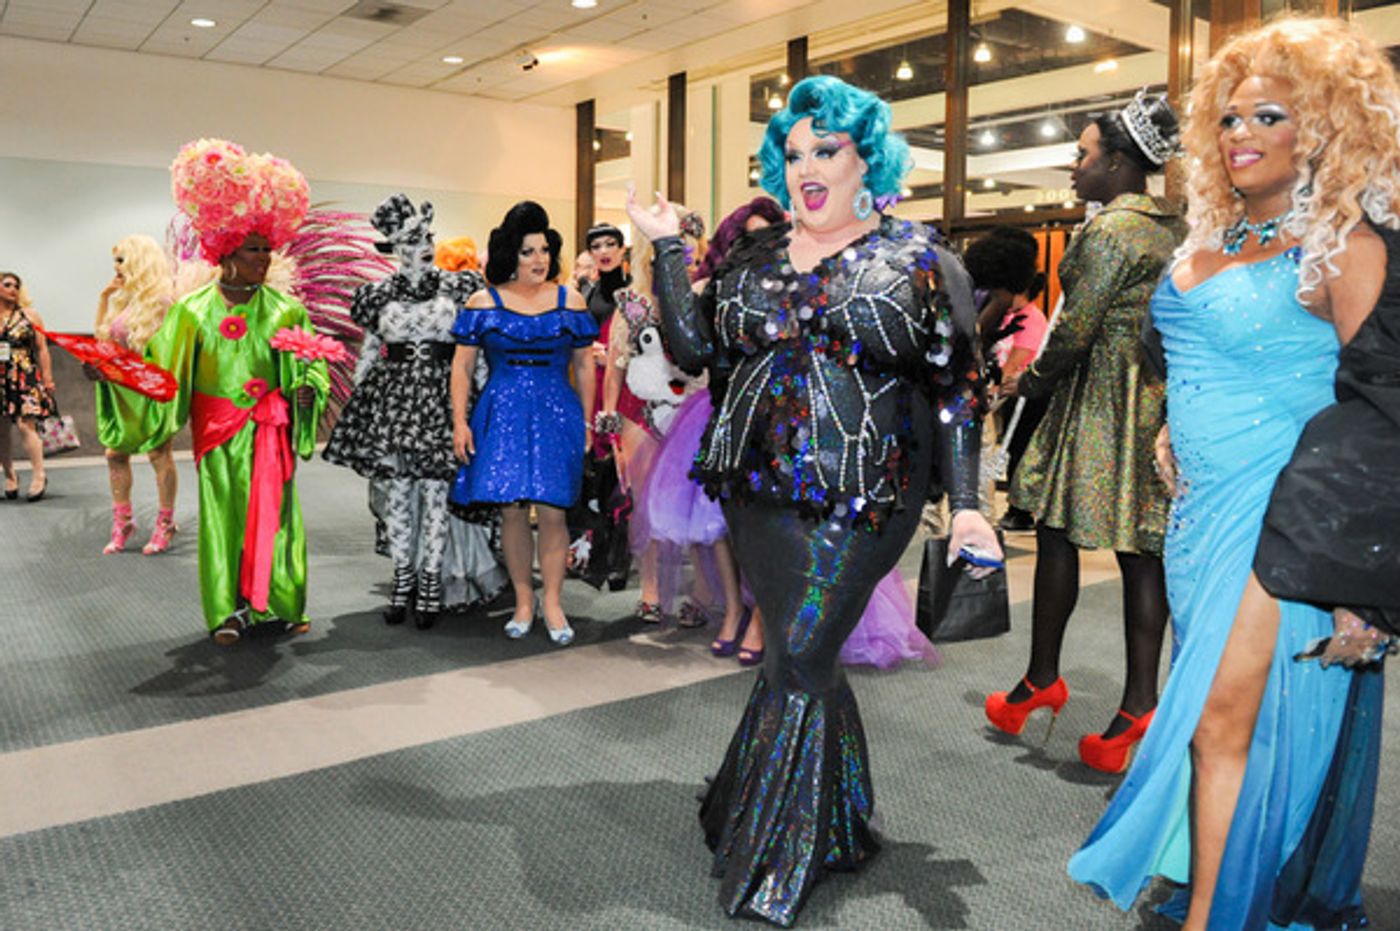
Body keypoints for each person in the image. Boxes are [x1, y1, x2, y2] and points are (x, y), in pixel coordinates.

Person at [628, 75, 1000, 926]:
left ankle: (776, 857)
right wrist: (663, 249)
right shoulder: (755, 259)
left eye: (825, 148)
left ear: (866, 157)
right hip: (758, 488)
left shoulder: (920, 262)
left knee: (799, 648)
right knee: (799, 659)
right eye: (791, 153)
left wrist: (969, 501)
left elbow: (956, 390)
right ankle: (827, 822)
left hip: (868, 497)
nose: (805, 167)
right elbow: (692, 350)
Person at [1070, 19, 1398, 929]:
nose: (1239, 132)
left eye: (1268, 114)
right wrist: (1177, 420)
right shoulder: (1203, 235)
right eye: (1225, 117)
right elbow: (1187, 348)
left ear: (1323, 128)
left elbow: (1383, 408)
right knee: (1213, 720)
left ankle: (1217, 913)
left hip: (1287, 518)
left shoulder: (1340, 244)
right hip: (1198, 519)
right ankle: (1219, 889)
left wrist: (1360, 581)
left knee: (1222, 725)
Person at [984, 93, 1183, 773]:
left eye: (1083, 154)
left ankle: (1043, 677)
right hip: (1155, 400)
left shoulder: (1111, 231)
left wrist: (1027, 384)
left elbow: (1074, 330)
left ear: (1118, 163)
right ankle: (1138, 702)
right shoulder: (1173, 227)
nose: (1074, 166)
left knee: (1056, 526)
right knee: (1141, 549)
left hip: (1101, 400)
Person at [94, 139, 329, 644]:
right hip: (219, 433)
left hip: (271, 429)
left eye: (268, 249)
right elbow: (163, 374)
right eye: (253, 249)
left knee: (278, 513)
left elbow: (310, 365)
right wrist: (115, 377)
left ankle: (280, 603)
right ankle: (229, 611)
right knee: (224, 517)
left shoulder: (286, 309)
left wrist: (305, 392)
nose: (264, 258)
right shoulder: (192, 311)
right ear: (226, 251)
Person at [324, 195, 504, 629]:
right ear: (394, 247)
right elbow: (369, 352)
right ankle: (402, 578)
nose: (421, 244)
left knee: (437, 495)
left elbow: (471, 353)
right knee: (399, 497)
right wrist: (358, 409)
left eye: (425, 235)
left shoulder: (457, 288)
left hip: (442, 400)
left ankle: (429, 581)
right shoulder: (376, 296)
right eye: (410, 239)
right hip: (395, 401)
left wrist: (482, 400)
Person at [450, 201, 596, 647]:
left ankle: (552, 601)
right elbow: (461, 367)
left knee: (553, 511)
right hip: (502, 410)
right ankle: (523, 601)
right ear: (511, 254)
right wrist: (459, 421)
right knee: (511, 510)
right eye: (529, 251)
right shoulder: (482, 301)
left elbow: (585, 364)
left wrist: (588, 423)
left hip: (557, 410)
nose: (540, 260)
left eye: (545, 250)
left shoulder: (569, 300)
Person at [601, 203, 706, 623]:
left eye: (689, 251)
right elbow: (615, 366)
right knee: (644, 506)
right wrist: (608, 417)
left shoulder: (706, 298)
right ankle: (650, 592)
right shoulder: (633, 304)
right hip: (642, 416)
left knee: (699, 509)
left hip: (695, 412)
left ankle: (700, 594)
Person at [93, 235, 180, 553]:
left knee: (159, 455)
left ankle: (165, 524)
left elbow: (174, 350)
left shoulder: (163, 300)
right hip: (120, 390)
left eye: (122, 260)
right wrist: (105, 298)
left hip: (150, 389)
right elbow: (103, 340)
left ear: (140, 262)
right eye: (115, 260)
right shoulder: (121, 299)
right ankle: (123, 522)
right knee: (114, 454)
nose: (116, 267)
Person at [962, 226, 1048, 531]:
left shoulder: (975, 295)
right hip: (970, 390)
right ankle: (978, 526)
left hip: (971, 388)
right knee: (979, 458)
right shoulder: (997, 299)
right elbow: (972, 342)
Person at [0, 271, 54, 501]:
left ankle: (39, 475)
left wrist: (48, 379)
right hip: (1, 377)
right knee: (1, 430)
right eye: (7, 284)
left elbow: (42, 348)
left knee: (26, 426)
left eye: (16, 285)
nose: (13, 289)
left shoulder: (30, 315)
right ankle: (10, 476)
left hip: (24, 374)